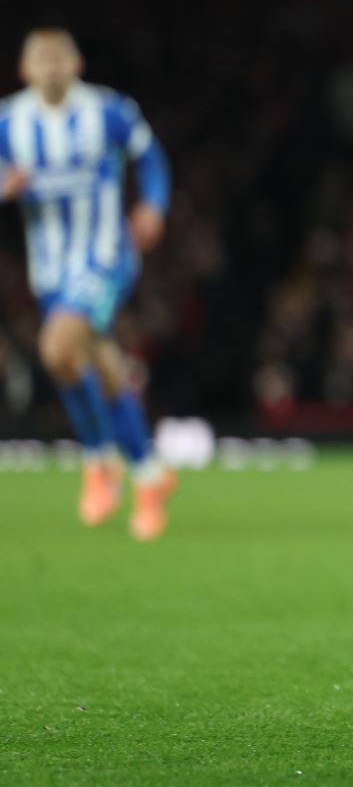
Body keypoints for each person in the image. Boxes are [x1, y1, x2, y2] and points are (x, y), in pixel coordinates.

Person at [0, 28, 177, 540]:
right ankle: (149, 475)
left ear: (77, 62)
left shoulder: (108, 111)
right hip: (50, 269)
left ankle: (101, 462)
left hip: (105, 257)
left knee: (56, 349)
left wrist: (153, 204)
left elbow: (151, 156)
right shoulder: (11, 122)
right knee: (102, 366)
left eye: (60, 57)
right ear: (25, 69)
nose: (52, 67)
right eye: (42, 59)